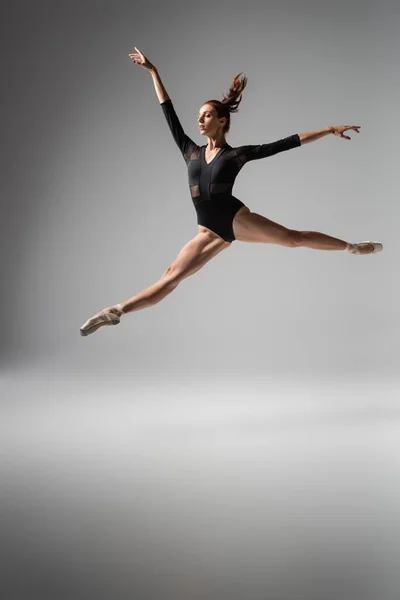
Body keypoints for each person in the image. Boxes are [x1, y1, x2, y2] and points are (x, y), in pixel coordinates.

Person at [80, 47, 383, 337]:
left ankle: (352, 247)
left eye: (207, 115)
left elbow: (288, 142)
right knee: (172, 276)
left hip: (235, 219)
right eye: (199, 115)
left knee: (294, 238)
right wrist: (153, 72)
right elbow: (169, 114)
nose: (200, 119)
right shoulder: (190, 151)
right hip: (208, 233)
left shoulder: (236, 155)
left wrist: (329, 130)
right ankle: (116, 310)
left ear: (222, 120)